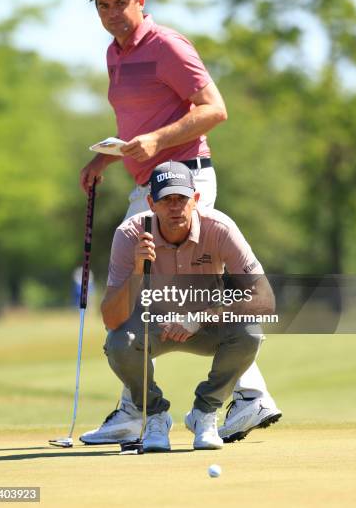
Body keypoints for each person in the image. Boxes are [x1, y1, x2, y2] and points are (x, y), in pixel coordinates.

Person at [80, 0, 281, 445]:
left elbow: (215, 108)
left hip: (185, 178)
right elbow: (137, 122)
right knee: (145, 291)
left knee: (154, 290)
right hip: (143, 180)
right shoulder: (114, 53)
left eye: (120, 3)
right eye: (103, 6)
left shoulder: (168, 45)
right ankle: (247, 396)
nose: (112, 13)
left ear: (141, 1)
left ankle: (139, 411)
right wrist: (107, 160)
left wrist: (156, 140)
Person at [99, 161, 276, 451]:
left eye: (181, 198)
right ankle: (155, 416)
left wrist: (199, 318)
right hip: (152, 326)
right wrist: (136, 271)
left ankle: (204, 413)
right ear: (150, 203)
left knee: (249, 332)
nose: (174, 207)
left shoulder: (219, 228)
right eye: (166, 199)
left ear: (195, 199)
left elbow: (265, 299)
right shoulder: (130, 234)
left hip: (206, 326)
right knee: (119, 342)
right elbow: (111, 318)